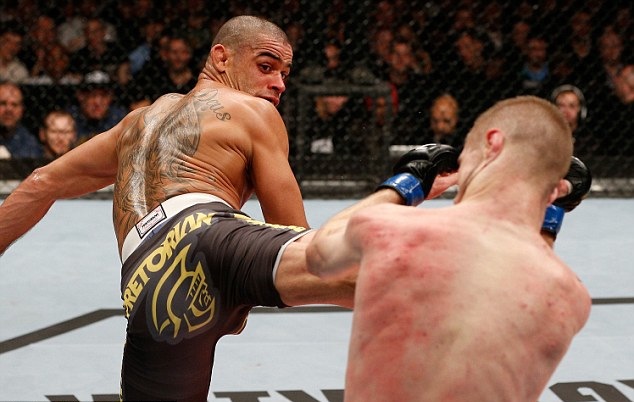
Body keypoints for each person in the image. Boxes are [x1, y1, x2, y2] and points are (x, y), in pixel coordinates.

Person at [0, 15, 400, 401]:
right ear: (222, 57)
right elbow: (297, 237)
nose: (278, 84)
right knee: (367, 275)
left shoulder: (133, 124)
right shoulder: (254, 112)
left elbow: (41, 183)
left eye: (284, 75)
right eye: (266, 66)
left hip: (144, 283)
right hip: (208, 231)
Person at [306, 95, 592, 402]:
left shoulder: (389, 228)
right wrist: (549, 213)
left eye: (464, 156)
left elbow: (318, 255)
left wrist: (405, 184)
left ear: (492, 145)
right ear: (558, 191)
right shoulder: (571, 299)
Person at [67, 70, 126, 143]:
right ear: (81, 96)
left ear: (110, 97)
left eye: (103, 95)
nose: (97, 102)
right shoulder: (69, 118)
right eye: (92, 95)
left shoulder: (119, 118)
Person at [0, 81, 41, 159]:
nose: (9, 109)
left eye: (14, 105)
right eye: (3, 103)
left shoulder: (29, 143)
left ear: (21, 110)